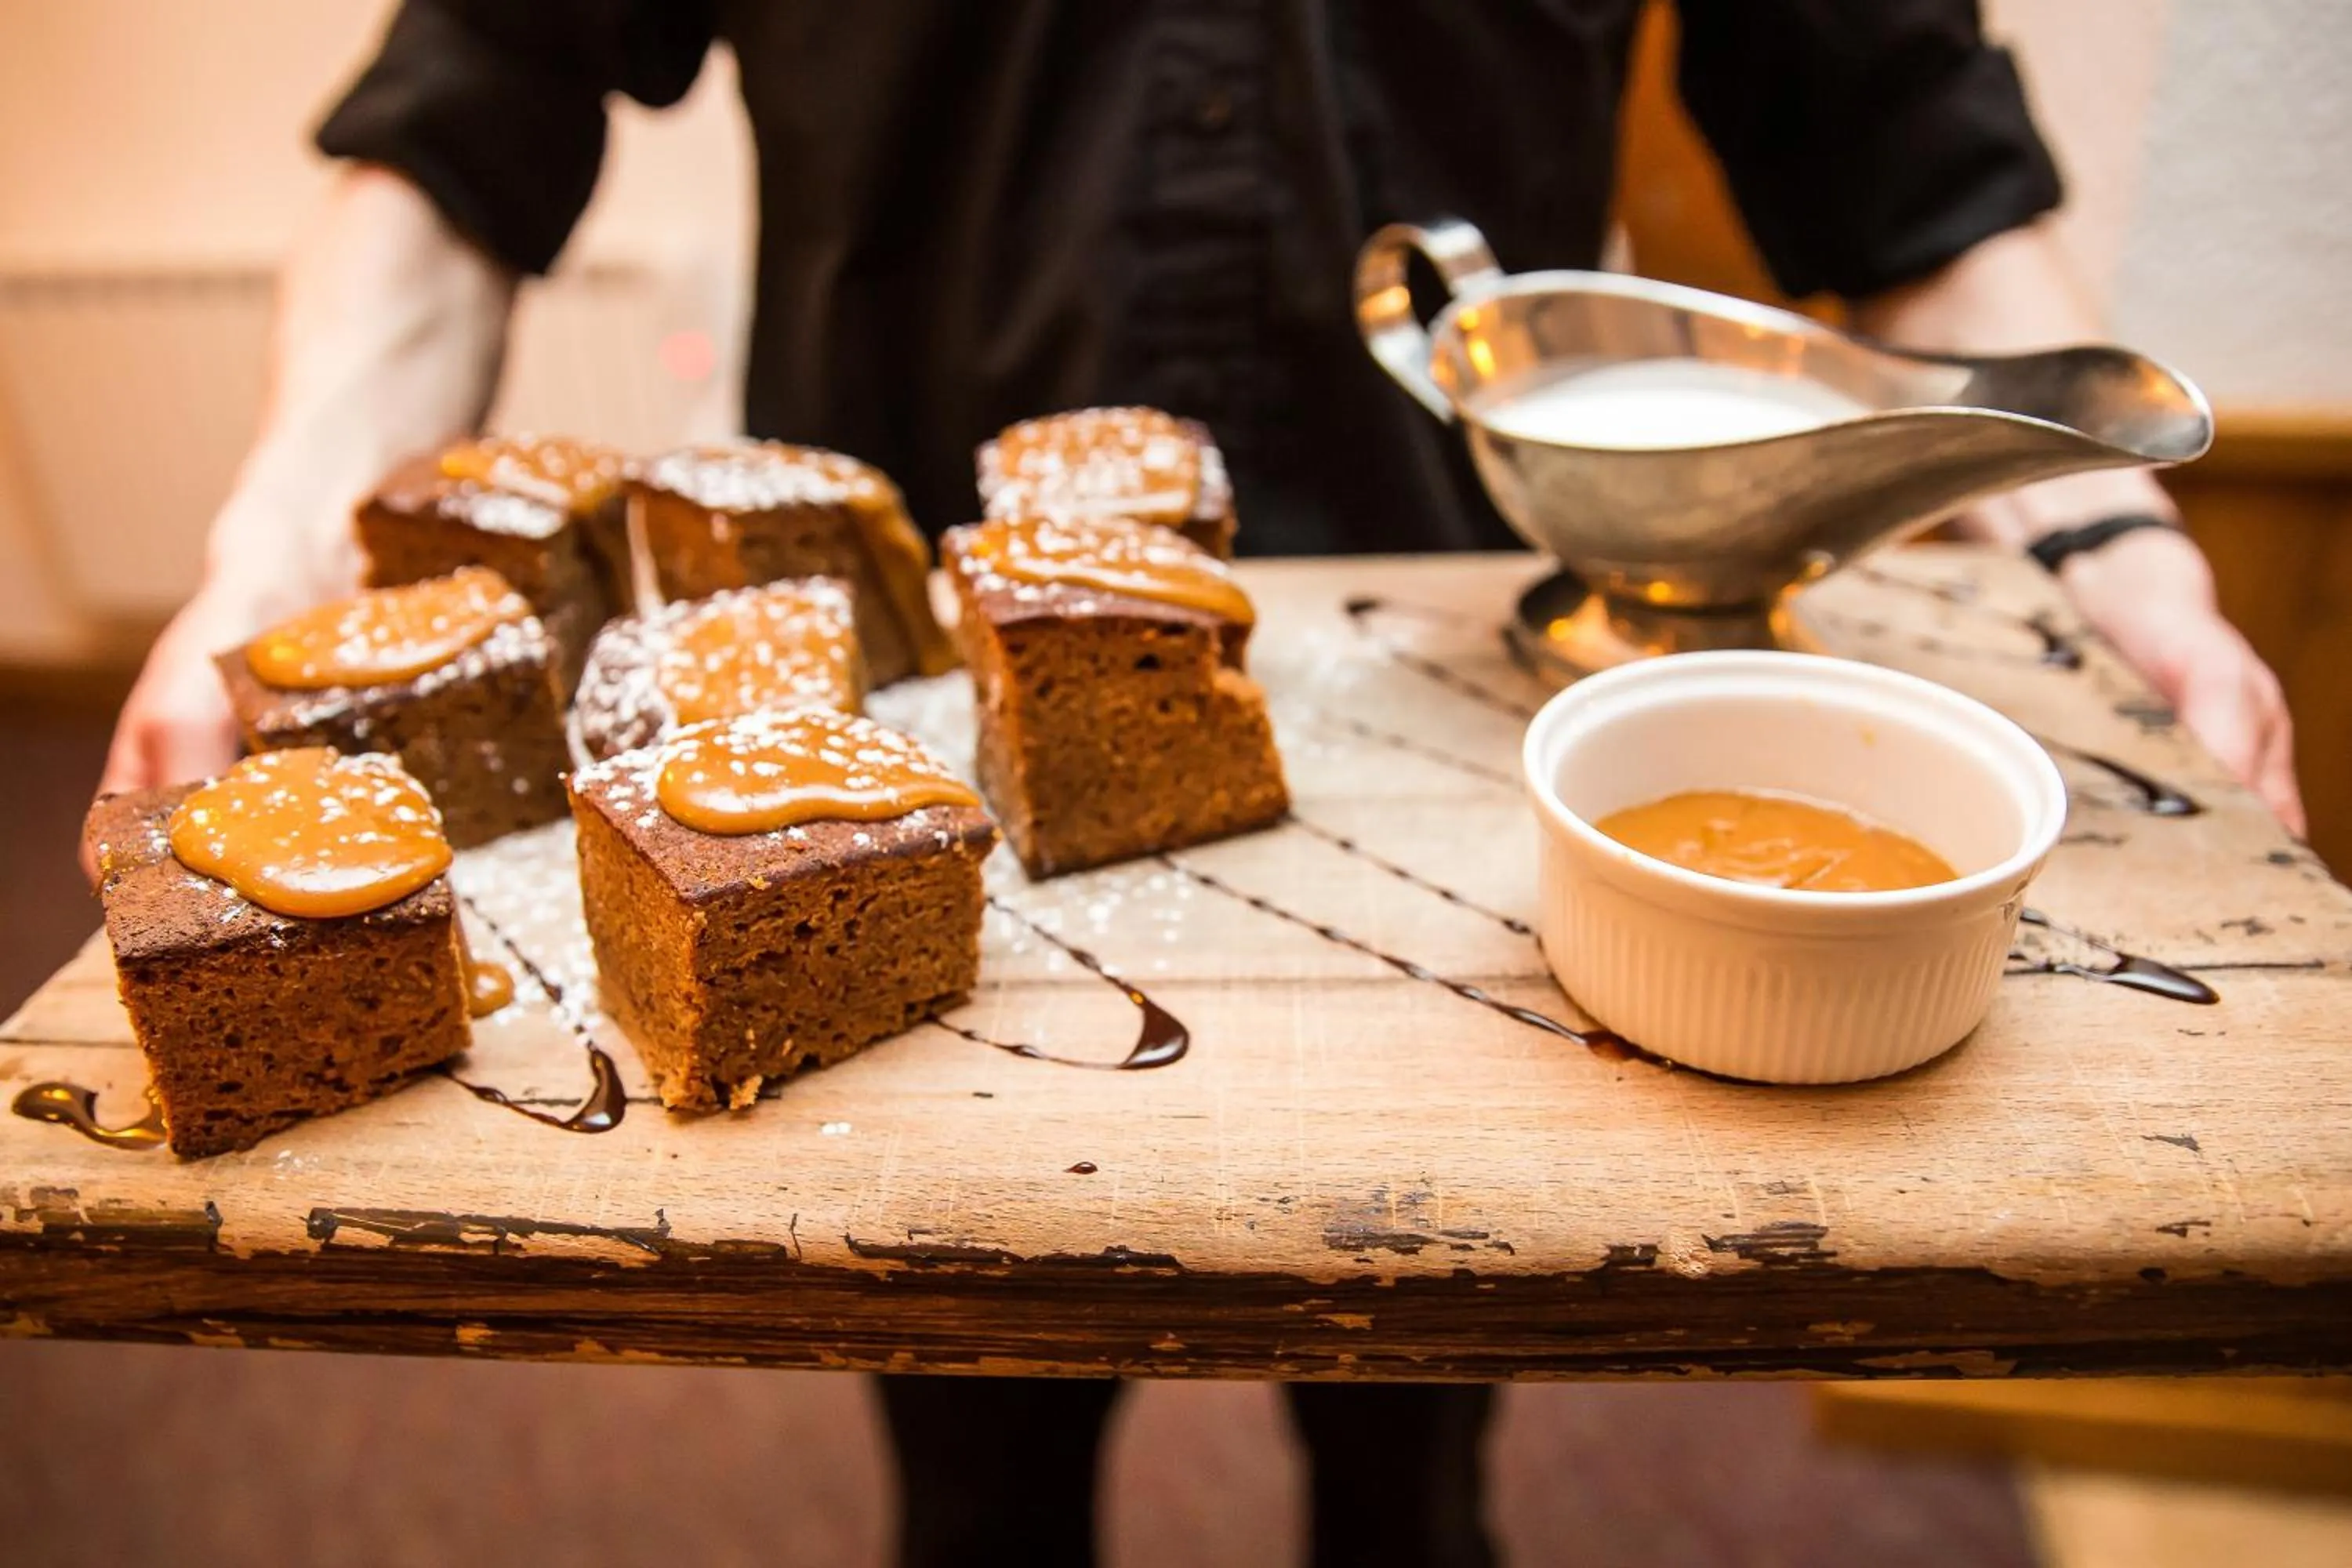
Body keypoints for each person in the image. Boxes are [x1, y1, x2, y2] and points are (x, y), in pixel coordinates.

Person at [93, 5, 2304, 1565]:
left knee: (1417, 1423)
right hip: (883, 711)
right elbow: (466, 118)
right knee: (978, 1463)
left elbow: (1905, 143)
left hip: (1468, 710)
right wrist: (274, 546)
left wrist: (2111, 539)